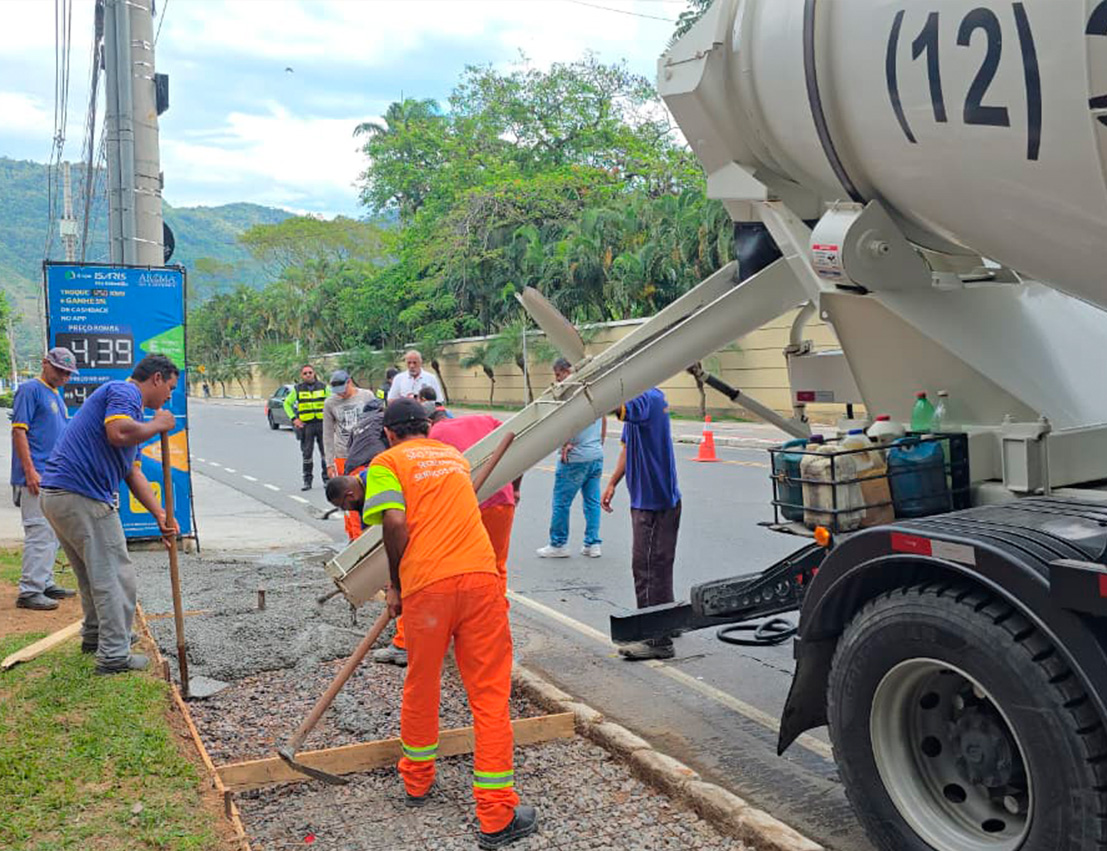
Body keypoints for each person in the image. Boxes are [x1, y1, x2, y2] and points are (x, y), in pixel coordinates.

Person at [327, 399, 538, 848]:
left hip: (428, 590)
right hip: (481, 582)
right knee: (489, 695)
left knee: (422, 683)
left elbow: (396, 522)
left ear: (387, 434)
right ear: (428, 426)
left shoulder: (385, 464)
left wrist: (396, 584)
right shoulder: (455, 458)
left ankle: (417, 780)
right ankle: (497, 814)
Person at [40, 354, 180, 675]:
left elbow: (132, 473)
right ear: (156, 378)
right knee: (116, 576)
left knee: (92, 575)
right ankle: (115, 654)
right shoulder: (125, 392)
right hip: (81, 495)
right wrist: (157, 424)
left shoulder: (133, 414)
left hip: (60, 495)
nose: (169, 397)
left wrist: (160, 514)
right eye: (169, 388)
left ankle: (96, 636)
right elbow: (117, 433)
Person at [601, 387, 682, 661]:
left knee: (647, 568)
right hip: (646, 499)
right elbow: (627, 446)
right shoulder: (643, 400)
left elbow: (616, 406)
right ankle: (666, 622)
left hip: (654, 504)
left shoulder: (648, 398)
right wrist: (612, 482)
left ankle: (657, 639)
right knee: (657, 566)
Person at [10, 347, 79, 610]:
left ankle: (44, 581)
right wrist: (29, 470)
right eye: (60, 370)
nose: (64, 377)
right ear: (45, 364)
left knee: (51, 532)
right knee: (39, 530)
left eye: (68, 373)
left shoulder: (55, 396)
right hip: (35, 474)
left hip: (51, 475)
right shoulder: (30, 390)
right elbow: (19, 432)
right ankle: (30, 590)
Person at [536, 358, 605, 559]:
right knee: (592, 502)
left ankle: (558, 544)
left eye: (558, 375)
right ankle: (592, 544)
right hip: (595, 456)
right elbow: (602, 421)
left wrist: (565, 443)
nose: (557, 380)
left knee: (561, 502)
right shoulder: (594, 391)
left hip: (575, 459)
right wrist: (597, 443)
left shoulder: (570, 394)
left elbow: (566, 422)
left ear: (567, 371)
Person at [323, 370, 376, 537]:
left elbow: (378, 421)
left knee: (368, 496)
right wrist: (330, 463)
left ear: (350, 382)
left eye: (343, 389)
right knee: (349, 500)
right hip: (343, 457)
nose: (341, 394)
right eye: (337, 391)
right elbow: (328, 433)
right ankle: (355, 537)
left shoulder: (367, 396)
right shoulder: (330, 403)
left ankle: (369, 535)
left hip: (366, 455)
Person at [283, 364, 329, 491]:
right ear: (301, 376)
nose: (308, 375)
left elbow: (332, 402)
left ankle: (327, 479)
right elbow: (287, 404)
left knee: (325, 454)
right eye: (305, 373)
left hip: (322, 424)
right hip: (306, 426)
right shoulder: (297, 389)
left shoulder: (324, 387)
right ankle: (307, 481)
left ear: (314, 373)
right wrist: (294, 419)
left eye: (310, 372)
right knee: (307, 454)